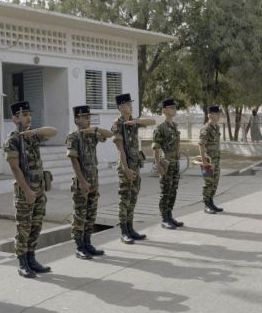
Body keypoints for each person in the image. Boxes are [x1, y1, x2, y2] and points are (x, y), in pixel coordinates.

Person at [4, 101, 57, 278]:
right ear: (15, 118)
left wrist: (33, 132)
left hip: (39, 190)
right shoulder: (12, 141)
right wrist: (27, 191)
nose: (28, 118)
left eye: (29, 115)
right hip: (25, 192)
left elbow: (53, 131)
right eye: (24, 115)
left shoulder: (33, 136)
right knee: (24, 228)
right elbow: (15, 168)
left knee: (36, 226)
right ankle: (22, 263)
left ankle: (32, 258)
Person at [66, 105, 113, 259]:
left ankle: (88, 243)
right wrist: (82, 181)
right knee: (80, 215)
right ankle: (80, 246)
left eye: (89, 117)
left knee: (91, 215)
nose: (88, 120)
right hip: (82, 183)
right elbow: (74, 162)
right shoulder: (73, 137)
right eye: (85, 117)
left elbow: (110, 134)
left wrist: (95, 128)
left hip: (93, 181)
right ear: (77, 119)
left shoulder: (92, 135)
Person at [111, 93, 156, 244]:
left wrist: (135, 121)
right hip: (126, 168)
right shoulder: (117, 125)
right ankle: (124, 231)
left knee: (133, 198)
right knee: (124, 200)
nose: (130, 107)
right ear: (120, 107)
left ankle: (131, 228)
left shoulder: (133, 122)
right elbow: (120, 150)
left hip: (135, 166)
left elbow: (152, 121)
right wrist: (126, 169)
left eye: (130, 104)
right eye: (127, 105)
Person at [153, 99, 183, 229]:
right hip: (166, 163)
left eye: (175, 107)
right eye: (171, 107)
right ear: (164, 110)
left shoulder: (174, 126)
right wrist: (158, 164)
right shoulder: (160, 128)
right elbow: (156, 147)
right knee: (165, 191)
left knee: (173, 190)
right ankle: (164, 218)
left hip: (175, 163)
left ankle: (170, 215)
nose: (174, 109)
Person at [198, 105, 223, 214]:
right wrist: (204, 161)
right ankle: (206, 205)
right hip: (207, 162)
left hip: (216, 161)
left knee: (215, 182)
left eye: (219, 114)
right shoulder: (205, 129)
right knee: (208, 182)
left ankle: (211, 202)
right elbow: (201, 145)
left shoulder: (216, 128)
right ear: (210, 115)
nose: (219, 116)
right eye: (217, 114)